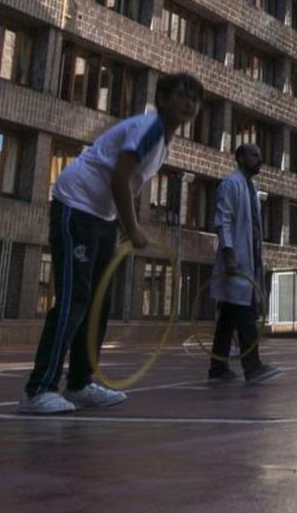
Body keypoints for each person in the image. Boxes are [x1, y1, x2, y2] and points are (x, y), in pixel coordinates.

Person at [19, 73, 203, 415]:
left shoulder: (163, 141)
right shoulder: (149, 128)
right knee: (74, 298)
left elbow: (128, 183)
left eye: (194, 99)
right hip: (76, 206)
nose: (189, 103)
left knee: (97, 304)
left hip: (101, 216)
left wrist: (118, 222)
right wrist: (132, 227)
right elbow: (120, 177)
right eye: (182, 95)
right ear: (162, 99)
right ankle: (39, 388)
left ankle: (79, 383)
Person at [209, 143, 283, 386]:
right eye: (253, 155)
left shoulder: (252, 187)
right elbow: (223, 220)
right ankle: (253, 367)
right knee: (245, 315)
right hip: (237, 261)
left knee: (228, 318)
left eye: (259, 156)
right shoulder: (231, 185)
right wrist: (229, 253)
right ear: (240, 158)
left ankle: (218, 368)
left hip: (250, 261)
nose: (258, 160)